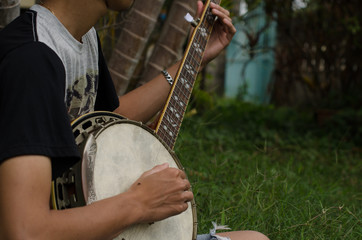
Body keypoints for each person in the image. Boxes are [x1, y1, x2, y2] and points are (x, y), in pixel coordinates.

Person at [0, 0, 268, 239]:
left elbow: (106, 122)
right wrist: (140, 202)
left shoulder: (81, 37)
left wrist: (193, 61)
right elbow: (24, 230)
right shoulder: (30, 60)